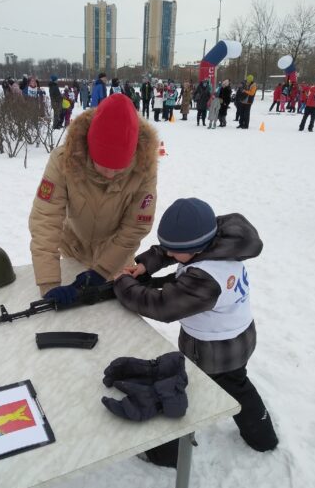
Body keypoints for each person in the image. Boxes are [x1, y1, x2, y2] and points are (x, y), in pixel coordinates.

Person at [113, 197, 279, 467]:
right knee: (237, 384)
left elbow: (162, 306)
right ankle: (262, 436)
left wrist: (124, 285)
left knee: (183, 393)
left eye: (175, 250)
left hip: (213, 350)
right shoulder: (221, 238)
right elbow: (174, 253)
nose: (169, 253)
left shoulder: (206, 280)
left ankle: (169, 454)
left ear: (196, 247)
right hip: (239, 335)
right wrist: (146, 265)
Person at [28, 93, 159, 298]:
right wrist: (49, 282)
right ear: (90, 149)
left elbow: (135, 226)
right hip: (74, 250)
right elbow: (46, 218)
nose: (110, 174)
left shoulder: (144, 168)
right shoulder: (64, 160)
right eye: (103, 165)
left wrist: (102, 270)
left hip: (117, 256)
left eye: (118, 168)